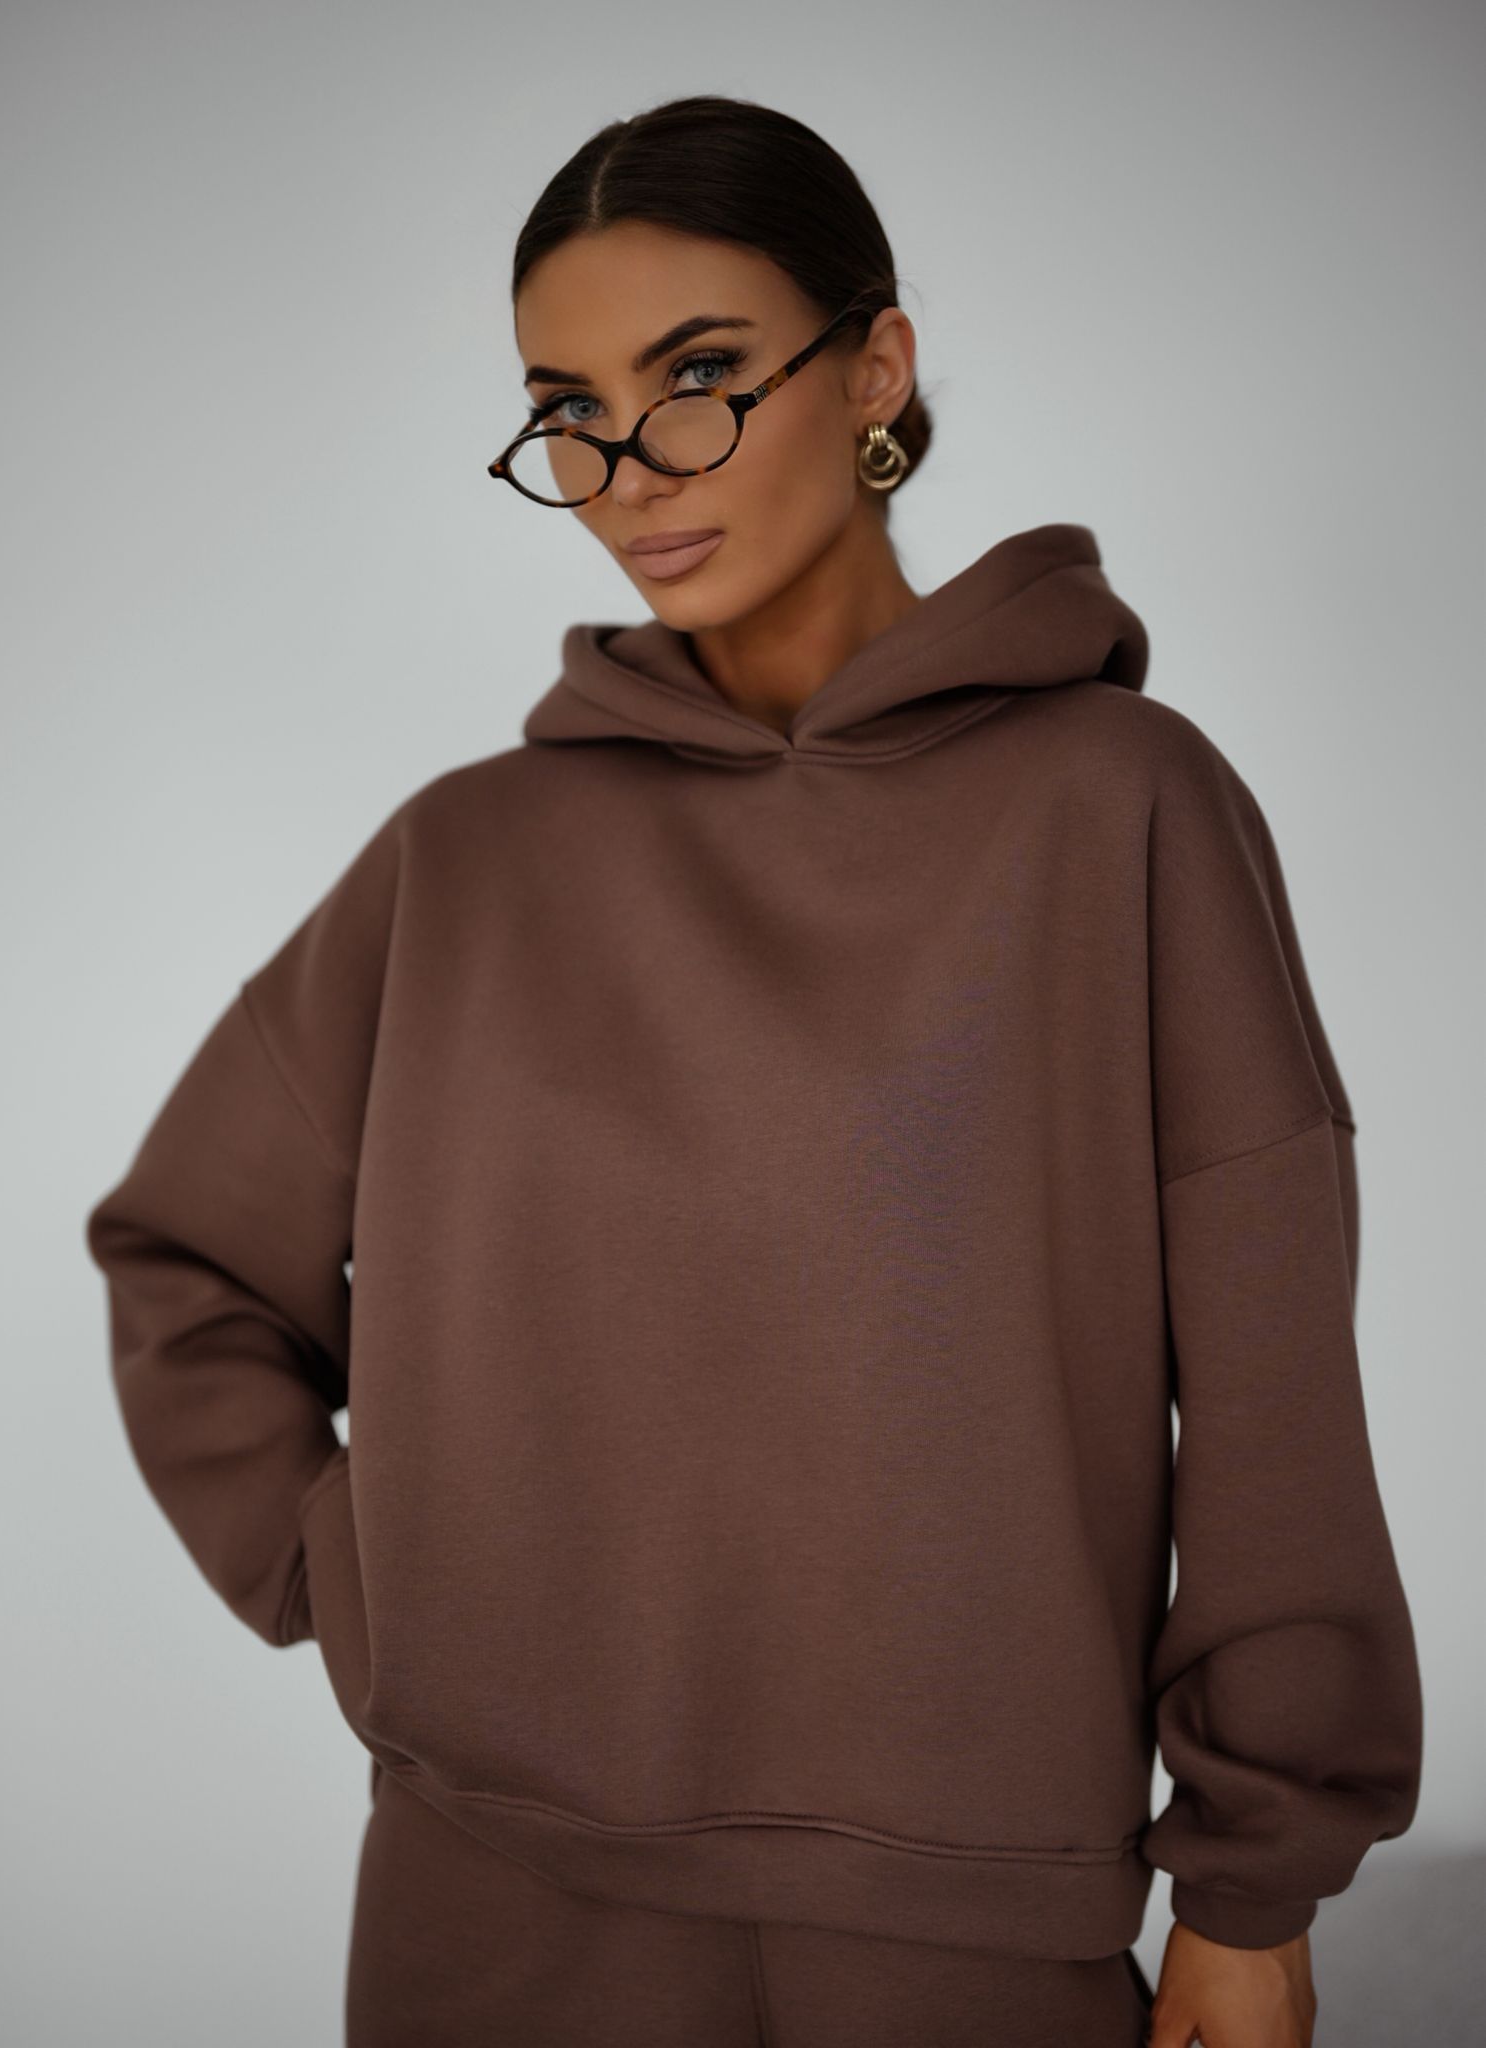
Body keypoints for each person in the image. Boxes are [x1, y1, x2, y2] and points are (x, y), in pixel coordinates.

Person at [83, 94, 1423, 2048]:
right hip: (491, 1894)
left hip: (965, 1917)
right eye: (568, 409)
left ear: (873, 367)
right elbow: (188, 1258)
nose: (630, 469)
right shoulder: (464, 859)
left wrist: (1252, 1884)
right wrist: (357, 1569)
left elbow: (1272, 1382)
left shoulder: (1119, 808)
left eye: (698, 375)